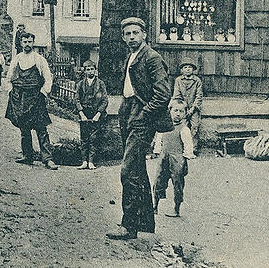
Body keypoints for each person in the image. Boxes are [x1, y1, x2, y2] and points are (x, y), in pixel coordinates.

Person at [106, 17, 172, 241]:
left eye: (136, 32)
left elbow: (163, 93)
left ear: (144, 34)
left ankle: (128, 226)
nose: (132, 37)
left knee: (128, 170)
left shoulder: (152, 58)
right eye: (127, 33)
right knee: (137, 168)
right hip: (128, 111)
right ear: (123, 37)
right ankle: (145, 223)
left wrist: (145, 114)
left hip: (141, 115)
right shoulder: (131, 56)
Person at [5, 32, 59, 170]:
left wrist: (43, 93)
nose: (27, 44)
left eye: (29, 41)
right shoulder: (17, 59)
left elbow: (48, 78)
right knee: (24, 128)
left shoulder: (39, 59)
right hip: (20, 98)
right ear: (21, 43)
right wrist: (11, 91)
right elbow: (8, 78)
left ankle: (47, 159)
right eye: (25, 41)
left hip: (36, 98)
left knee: (41, 128)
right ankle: (27, 156)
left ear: (33, 43)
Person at [152, 99, 196, 218]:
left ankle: (176, 209)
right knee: (158, 181)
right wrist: (156, 150)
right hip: (164, 158)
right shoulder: (164, 126)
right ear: (170, 111)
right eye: (175, 110)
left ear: (185, 113)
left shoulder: (184, 129)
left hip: (177, 160)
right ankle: (155, 206)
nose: (178, 113)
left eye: (181, 111)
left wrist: (187, 155)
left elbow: (188, 143)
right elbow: (159, 139)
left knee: (178, 184)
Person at [73, 60, 108, 170]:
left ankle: (91, 162)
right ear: (84, 71)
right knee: (84, 138)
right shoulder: (80, 84)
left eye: (92, 69)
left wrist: (98, 113)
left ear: (95, 70)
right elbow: (77, 99)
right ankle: (84, 161)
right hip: (84, 113)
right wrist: (81, 113)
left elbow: (105, 100)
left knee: (94, 138)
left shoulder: (100, 83)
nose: (90, 71)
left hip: (95, 113)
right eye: (87, 69)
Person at [172, 57, 203, 152]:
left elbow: (199, 96)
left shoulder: (197, 80)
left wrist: (193, 108)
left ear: (193, 69)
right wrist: (182, 107)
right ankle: (182, 147)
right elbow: (176, 95)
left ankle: (193, 148)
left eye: (190, 67)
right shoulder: (178, 80)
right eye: (185, 67)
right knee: (182, 126)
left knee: (194, 127)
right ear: (182, 70)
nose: (188, 69)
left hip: (194, 108)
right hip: (182, 108)